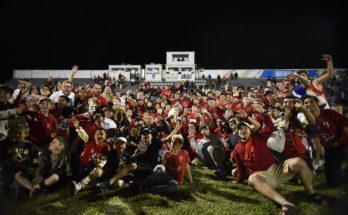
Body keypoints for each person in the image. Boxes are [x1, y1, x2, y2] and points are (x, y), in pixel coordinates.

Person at [233, 112, 319, 215]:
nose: (242, 130)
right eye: (240, 129)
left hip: (275, 168)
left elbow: (270, 126)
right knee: (252, 179)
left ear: (250, 130)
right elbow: (240, 167)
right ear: (237, 133)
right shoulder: (237, 148)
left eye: (245, 128)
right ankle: (286, 204)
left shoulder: (259, 137)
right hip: (262, 176)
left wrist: (262, 114)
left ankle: (311, 194)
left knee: (298, 161)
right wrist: (239, 179)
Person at [304, 95, 348, 186]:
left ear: (317, 103)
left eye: (311, 101)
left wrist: (342, 140)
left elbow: (345, 123)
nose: (309, 104)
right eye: (306, 103)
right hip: (330, 149)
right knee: (333, 179)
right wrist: (317, 159)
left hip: (344, 144)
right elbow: (316, 143)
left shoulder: (329, 113)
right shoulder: (308, 124)